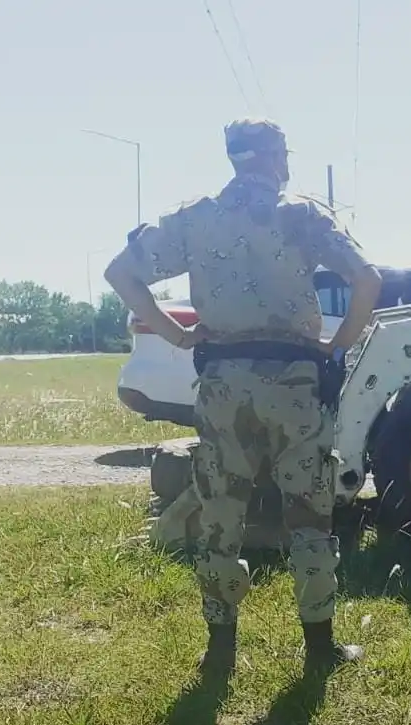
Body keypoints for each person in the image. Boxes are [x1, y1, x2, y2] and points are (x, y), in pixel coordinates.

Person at [104, 118, 383, 680]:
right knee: (309, 512)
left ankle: (221, 648)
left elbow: (121, 273)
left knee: (221, 512)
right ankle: (319, 648)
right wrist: (335, 347)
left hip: (223, 382)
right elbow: (368, 280)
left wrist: (178, 334)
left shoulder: (194, 217)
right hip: (294, 382)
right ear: (277, 155)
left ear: (233, 158)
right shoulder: (302, 214)